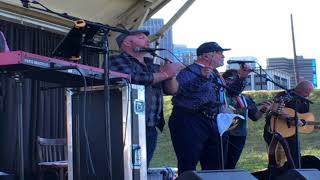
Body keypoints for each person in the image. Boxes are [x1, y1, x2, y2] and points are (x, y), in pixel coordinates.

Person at [168, 42, 251, 175]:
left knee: (216, 165)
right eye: (219, 53)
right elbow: (180, 92)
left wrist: (242, 77)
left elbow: (231, 93)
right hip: (190, 119)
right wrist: (202, 77)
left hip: (213, 120)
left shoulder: (216, 74)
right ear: (206, 56)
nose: (223, 56)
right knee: (189, 163)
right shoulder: (189, 70)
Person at [110, 29, 183, 166]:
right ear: (127, 42)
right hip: (126, 126)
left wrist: (171, 74)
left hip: (150, 127)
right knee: (125, 168)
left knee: (143, 168)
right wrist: (165, 74)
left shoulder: (152, 65)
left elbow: (172, 90)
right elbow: (133, 78)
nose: (148, 41)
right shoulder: (116, 60)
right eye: (141, 37)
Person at [222, 69, 273, 169]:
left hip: (239, 135)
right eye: (232, 79)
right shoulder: (219, 95)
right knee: (218, 164)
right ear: (224, 81)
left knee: (231, 165)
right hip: (222, 134)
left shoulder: (246, 98)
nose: (236, 82)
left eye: (238, 80)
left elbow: (255, 117)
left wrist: (263, 110)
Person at [263, 80, 314, 167]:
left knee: (295, 158)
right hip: (275, 132)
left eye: (309, 93)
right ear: (299, 89)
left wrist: (300, 123)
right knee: (276, 159)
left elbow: (302, 117)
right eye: (306, 92)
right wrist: (289, 118)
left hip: (291, 133)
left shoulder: (305, 101)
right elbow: (275, 108)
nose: (308, 95)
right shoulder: (283, 95)